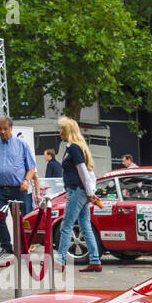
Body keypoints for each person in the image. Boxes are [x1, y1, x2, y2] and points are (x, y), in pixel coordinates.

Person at [54, 117, 103, 273]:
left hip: (76, 191)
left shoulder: (73, 148)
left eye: (62, 128)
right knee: (85, 225)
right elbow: (87, 171)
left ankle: (60, 260)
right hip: (80, 191)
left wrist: (89, 192)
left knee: (66, 226)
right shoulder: (77, 147)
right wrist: (90, 192)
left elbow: (82, 171)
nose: (59, 131)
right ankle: (95, 260)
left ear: (68, 131)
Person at [0, 116, 37, 257]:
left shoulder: (22, 145)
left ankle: (23, 246)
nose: (2, 132)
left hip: (18, 189)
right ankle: (6, 246)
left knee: (22, 219)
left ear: (11, 128)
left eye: (5, 129)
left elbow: (31, 168)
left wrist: (26, 180)